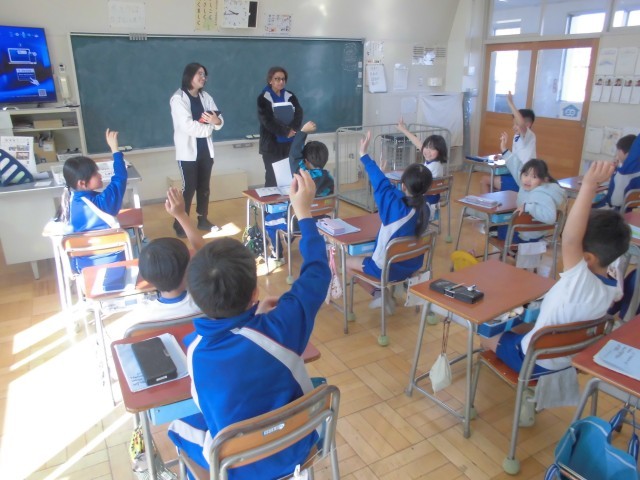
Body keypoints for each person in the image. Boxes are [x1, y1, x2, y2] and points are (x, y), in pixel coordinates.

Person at [167, 170, 330, 479]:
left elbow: (213, 410)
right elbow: (317, 273)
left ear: (196, 300)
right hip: (298, 444)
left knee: (177, 428)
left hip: (238, 467)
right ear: (255, 293)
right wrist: (304, 214)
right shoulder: (282, 327)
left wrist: (253, 321)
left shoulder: (195, 351)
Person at [481, 160, 630, 379]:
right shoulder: (613, 285)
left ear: (587, 258)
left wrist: (589, 185)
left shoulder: (580, 280)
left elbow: (570, 239)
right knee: (521, 326)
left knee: (484, 333)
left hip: (533, 361)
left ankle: (499, 385)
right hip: (567, 358)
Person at [345, 131, 432, 312]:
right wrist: (382, 174)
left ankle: (379, 295)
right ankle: (396, 289)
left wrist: (364, 154)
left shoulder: (394, 206)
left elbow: (381, 184)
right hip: (411, 266)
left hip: (385, 269)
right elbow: (386, 187)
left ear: (403, 185)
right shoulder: (426, 208)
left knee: (346, 263)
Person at [112, 187, 204, 331]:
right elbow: (204, 253)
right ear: (188, 270)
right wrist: (181, 215)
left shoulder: (140, 318)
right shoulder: (205, 302)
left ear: (146, 278)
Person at [59, 128, 127, 272]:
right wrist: (115, 150)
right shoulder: (102, 203)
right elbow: (120, 178)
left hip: (83, 269)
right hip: (113, 265)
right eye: (96, 173)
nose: (100, 175)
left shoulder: (68, 201)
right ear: (82, 183)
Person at [265, 120, 334, 261]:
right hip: (323, 221)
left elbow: (294, 155)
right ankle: (289, 237)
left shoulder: (303, 174)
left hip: (300, 222)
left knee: (268, 221)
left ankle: (277, 254)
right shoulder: (329, 177)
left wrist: (303, 132)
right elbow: (295, 156)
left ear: (306, 161)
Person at [170, 62, 223, 238]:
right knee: (189, 188)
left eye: (204, 74)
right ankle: (180, 223)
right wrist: (211, 127)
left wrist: (216, 122)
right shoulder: (178, 98)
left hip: (205, 151)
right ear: (189, 76)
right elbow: (188, 126)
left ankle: (203, 219)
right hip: (187, 153)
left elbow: (218, 118)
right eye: (199, 74)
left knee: (204, 187)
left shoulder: (205, 96)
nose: (203, 77)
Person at [495, 155, 566, 242]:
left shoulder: (542, 194)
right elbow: (516, 168)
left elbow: (551, 217)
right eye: (526, 175)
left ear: (543, 180)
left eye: (534, 177)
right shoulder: (529, 186)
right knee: (501, 225)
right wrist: (505, 153)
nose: (528, 180)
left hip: (528, 236)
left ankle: (505, 249)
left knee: (497, 228)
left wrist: (528, 207)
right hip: (528, 232)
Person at [480, 91, 536, 194]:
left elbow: (521, 124)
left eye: (516, 124)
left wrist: (510, 103)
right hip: (516, 174)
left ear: (528, 125)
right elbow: (515, 157)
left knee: (485, 180)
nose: (514, 127)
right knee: (493, 183)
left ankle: (488, 204)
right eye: (513, 124)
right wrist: (503, 156)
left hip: (522, 178)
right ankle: (496, 202)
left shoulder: (529, 135)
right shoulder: (517, 137)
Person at [257, 66, 304, 187]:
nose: (281, 81)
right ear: (270, 80)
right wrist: (285, 131)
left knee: (291, 177)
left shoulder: (290, 96)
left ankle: (290, 199)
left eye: (283, 79)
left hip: (290, 144)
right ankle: (271, 199)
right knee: (273, 178)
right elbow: (267, 121)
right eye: (277, 79)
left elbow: (299, 113)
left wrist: (292, 129)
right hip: (272, 146)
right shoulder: (263, 98)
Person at [396, 119, 447, 215]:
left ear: (440, 151)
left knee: (400, 190)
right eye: (426, 147)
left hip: (425, 204)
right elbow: (418, 143)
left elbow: (418, 186)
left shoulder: (433, 167)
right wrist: (403, 129)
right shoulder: (436, 162)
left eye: (432, 149)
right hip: (431, 201)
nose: (427, 151)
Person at [594, 134, 639, 210]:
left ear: (626, 153)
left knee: (588, 207)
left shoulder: (623, 172)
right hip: (631, 210)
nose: (617, 154)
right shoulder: (634, 169)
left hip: (616, 211)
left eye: (618, 151)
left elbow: (614, 201)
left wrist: (615, 171)